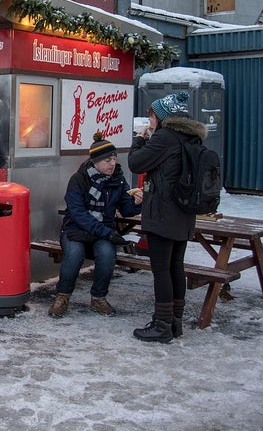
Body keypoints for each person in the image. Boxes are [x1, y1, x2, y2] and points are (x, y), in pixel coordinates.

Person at [128, 91, 208, 342]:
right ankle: (175, 322)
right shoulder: (191, 137)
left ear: (162, 116)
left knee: (161, 269)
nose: (150, 120)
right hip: (184, 212)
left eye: (152, 115)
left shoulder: (164, 137)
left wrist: (140, 141)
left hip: (163, 212)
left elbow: (136, 163)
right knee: (176, 267)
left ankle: (162, 325)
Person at [48, 133, 142, 318]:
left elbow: (126, 209)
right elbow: (78, 214)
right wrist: (107, 232)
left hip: (101, 232)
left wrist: (138, 203)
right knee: (75, 254)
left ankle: (98, 297)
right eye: (108, 160)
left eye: (114, 159)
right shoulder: (79, 179)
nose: (112, 163)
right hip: (75, 230)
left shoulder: (118, 180)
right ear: (96, 161)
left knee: (107, 254)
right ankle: (62, 297)